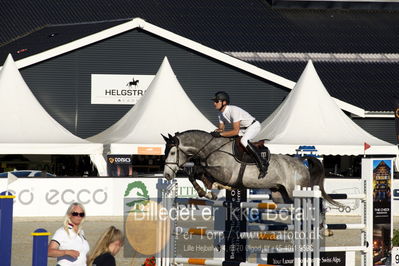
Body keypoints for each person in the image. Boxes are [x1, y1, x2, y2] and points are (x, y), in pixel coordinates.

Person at [211, 91, 268, 178]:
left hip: (253, 126)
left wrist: (221, 134)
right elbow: (221, 128)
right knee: (229, 140)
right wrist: (216, 132)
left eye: (216, 101)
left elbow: (235, 132)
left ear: (224, 102)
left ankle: (263, 163)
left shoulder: (233, 110)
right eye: (214, 101)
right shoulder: (220, 113)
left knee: (243, 140)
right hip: (243, 130)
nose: (214, 103)